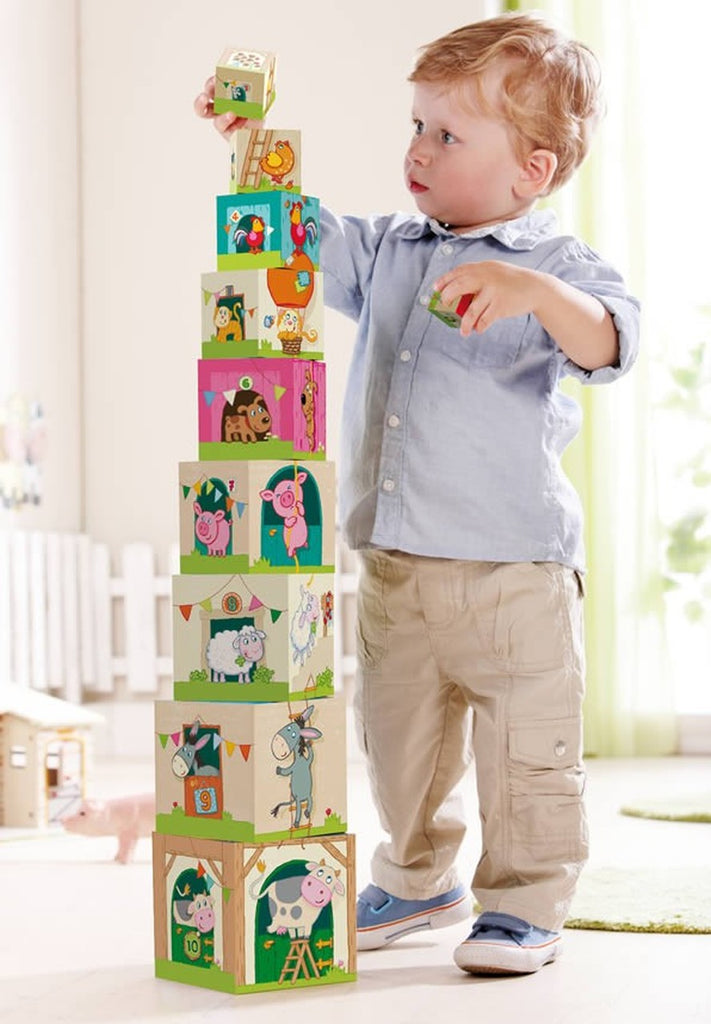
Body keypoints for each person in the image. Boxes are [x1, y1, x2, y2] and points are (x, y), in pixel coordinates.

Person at [194, 11, 639, 976]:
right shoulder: (388, 247)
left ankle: (523, 901)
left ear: (533, 168)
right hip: (394, 559)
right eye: (416, 126)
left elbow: (610, 340)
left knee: (525, 754)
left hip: (511, 567)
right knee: (399, 744)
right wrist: (249, 146)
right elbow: (298, 232)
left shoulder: (558, 269)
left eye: (447, 133)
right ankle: (415, 874)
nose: (418, 150)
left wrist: (534, 297)